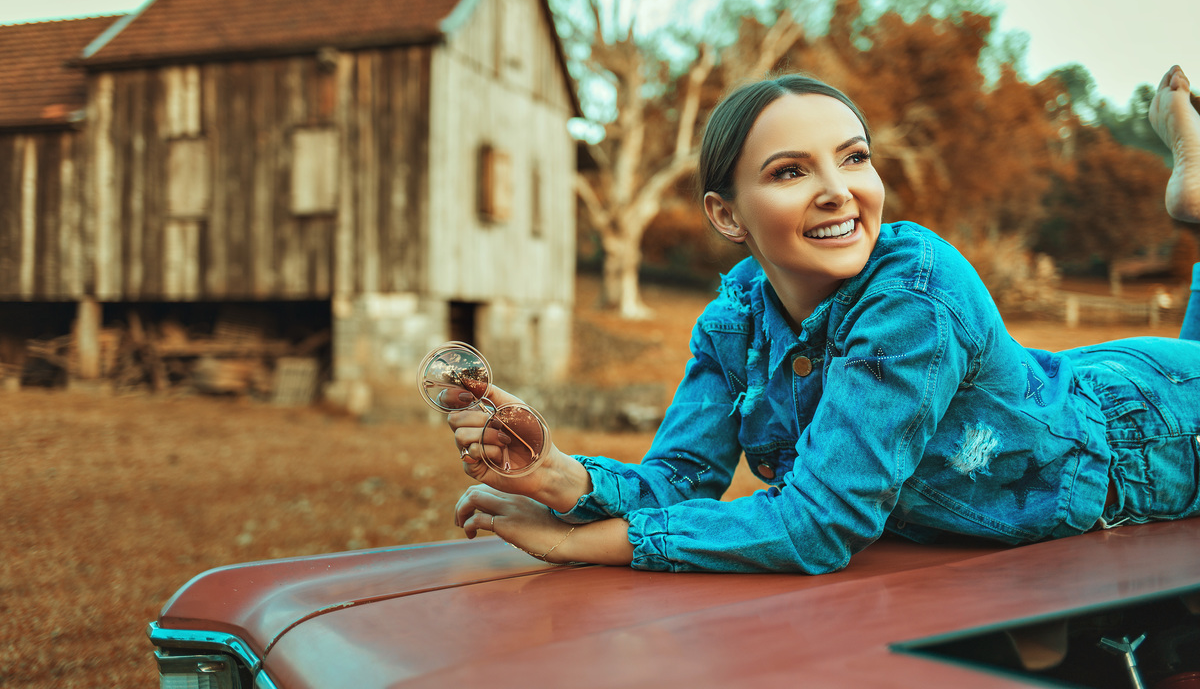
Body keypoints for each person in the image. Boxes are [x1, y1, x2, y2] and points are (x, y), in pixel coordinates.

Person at [446, 65, 1200, 573]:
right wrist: (557, 475)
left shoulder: (916, 296)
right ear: (726, 214)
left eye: (855, 158)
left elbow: (820, 523)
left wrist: (590, 545)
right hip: (1077, 382)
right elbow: (682, 478)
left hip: (1153, 429)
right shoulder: (734, 320)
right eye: (790, 171)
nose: (839, 190)